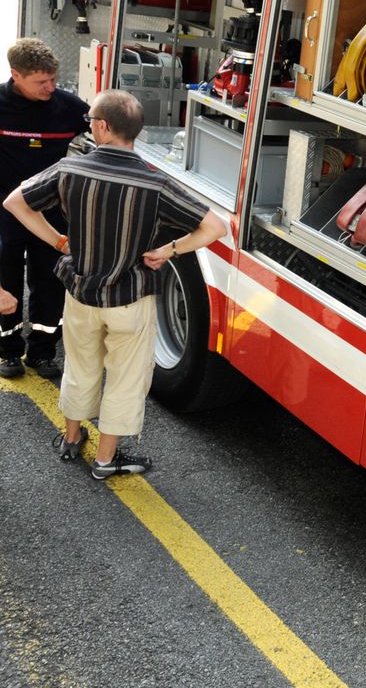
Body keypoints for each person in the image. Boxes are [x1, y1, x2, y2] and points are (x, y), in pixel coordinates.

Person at [3, 89, 225, 477]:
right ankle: (106, 460)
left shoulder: (69, 169)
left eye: (91, 121)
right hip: (130, 299)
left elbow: (14, 202)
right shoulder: (156, 183)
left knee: (79, 367)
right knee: (125, 378)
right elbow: (215, 227)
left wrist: (57, 241)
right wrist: (168, 250)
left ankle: (71, 438)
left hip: (81, 293)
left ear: (103, 127)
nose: (89, 125)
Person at [0, 38, 90, 379]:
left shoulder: (68, 108)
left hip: (50, 213)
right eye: (41, 82)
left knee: (50, 280)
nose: (50, 87)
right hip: (6, 212)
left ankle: (42, 352)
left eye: (53, 79)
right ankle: (8, 350)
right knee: (6, 278)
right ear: (16, 75)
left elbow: (105, 129)